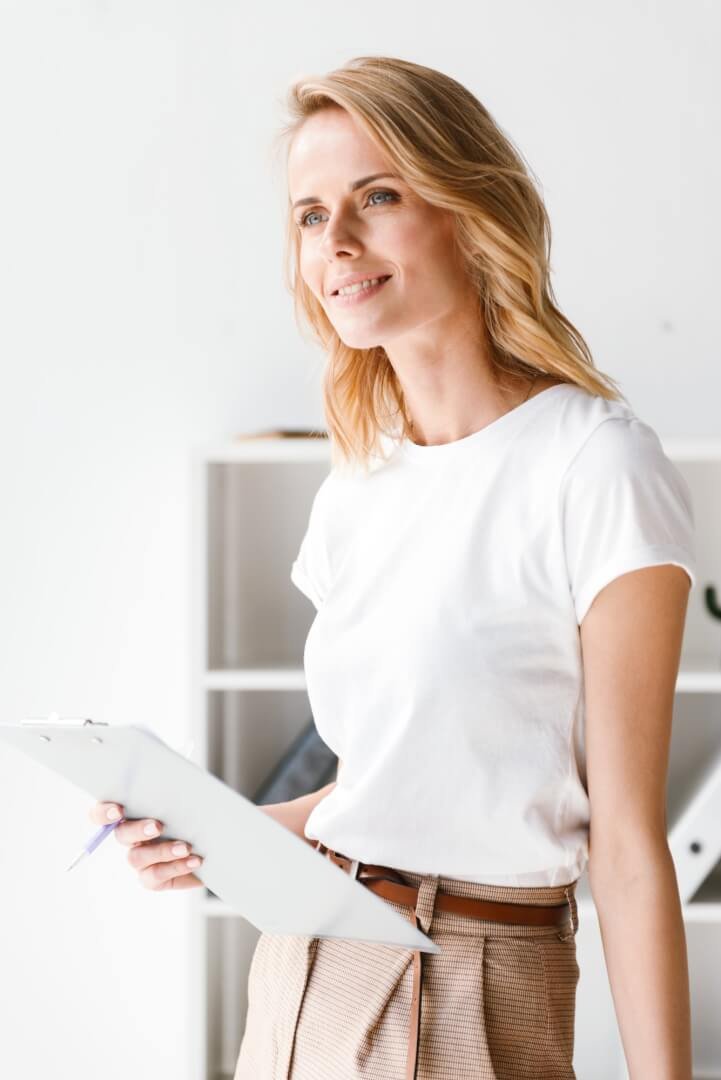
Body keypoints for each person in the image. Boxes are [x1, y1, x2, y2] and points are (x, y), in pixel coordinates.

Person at [91, 55, 697, 1080]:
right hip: (295, 977)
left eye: (377, 197)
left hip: (467, 980)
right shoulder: (357, 485)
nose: (338, 243)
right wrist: (201, 827)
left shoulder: (593, 463)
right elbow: (374, 795)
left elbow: (628, 849)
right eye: (310, 215)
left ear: (466, 208)